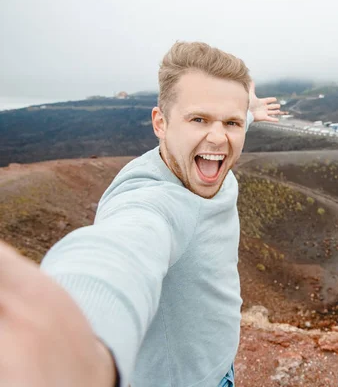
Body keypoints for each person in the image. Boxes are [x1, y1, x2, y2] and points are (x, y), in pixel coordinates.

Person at [0, 42, 283, 387]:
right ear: (160, 124)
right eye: (199, 119)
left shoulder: (208, 149)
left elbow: (223, 124)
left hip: (217, 364)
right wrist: (80, 345)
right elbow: (122, 249)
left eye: (232, 123)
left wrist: (248, 109)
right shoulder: (155, 200)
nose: (219, 137)